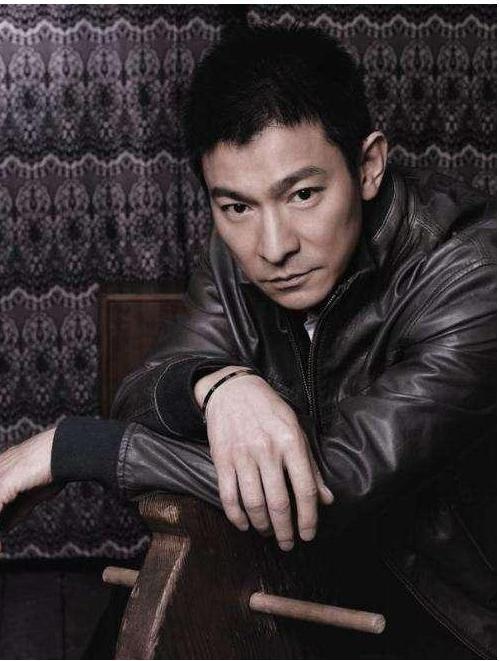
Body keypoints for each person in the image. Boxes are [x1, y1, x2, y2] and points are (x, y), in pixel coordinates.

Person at [0, 26, 495, 659]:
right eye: (236, 206)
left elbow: (329, 486)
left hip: (441, 616)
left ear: (368, 166)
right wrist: (220, 386)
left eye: (304, 194)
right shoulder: (240, 250)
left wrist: (76, 448)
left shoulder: (475, 270)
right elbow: (145, 392)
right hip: (292, 575)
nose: (274, 246)